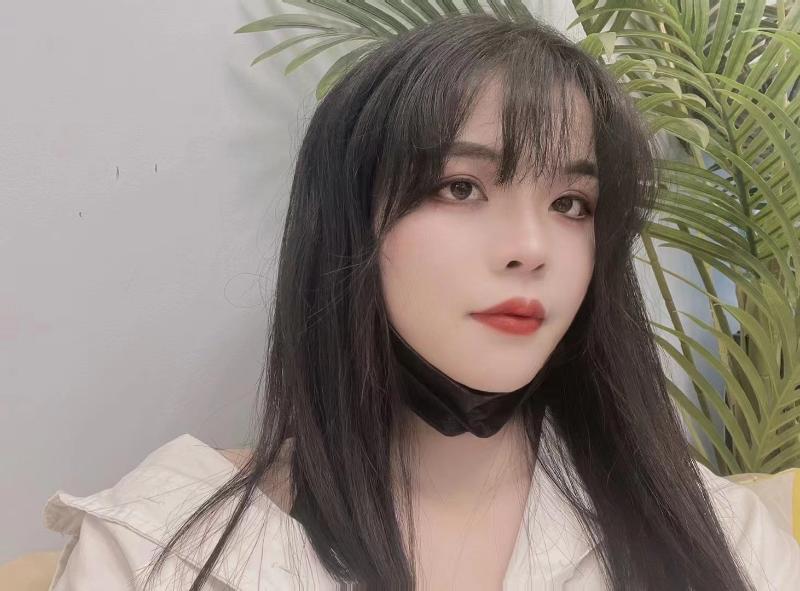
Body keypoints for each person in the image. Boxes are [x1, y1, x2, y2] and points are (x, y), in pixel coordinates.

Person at [43, 13, 800, 591]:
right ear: (349, 223)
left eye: (571, 203)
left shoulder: (727, 538)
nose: (531, 247)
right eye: (460, 187)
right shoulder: (159, 548)